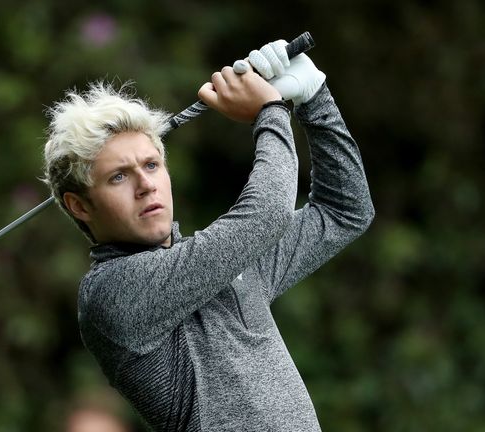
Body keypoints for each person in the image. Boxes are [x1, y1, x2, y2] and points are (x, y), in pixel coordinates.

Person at [42, 39, 374, 431]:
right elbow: (265, 217)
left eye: (151, 165)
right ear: (79, 206)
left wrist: (314, 97)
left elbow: (345, 210)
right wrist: (270, 111)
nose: (145, 185)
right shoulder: (111, 292)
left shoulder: (228, 266)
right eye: (118, 177)